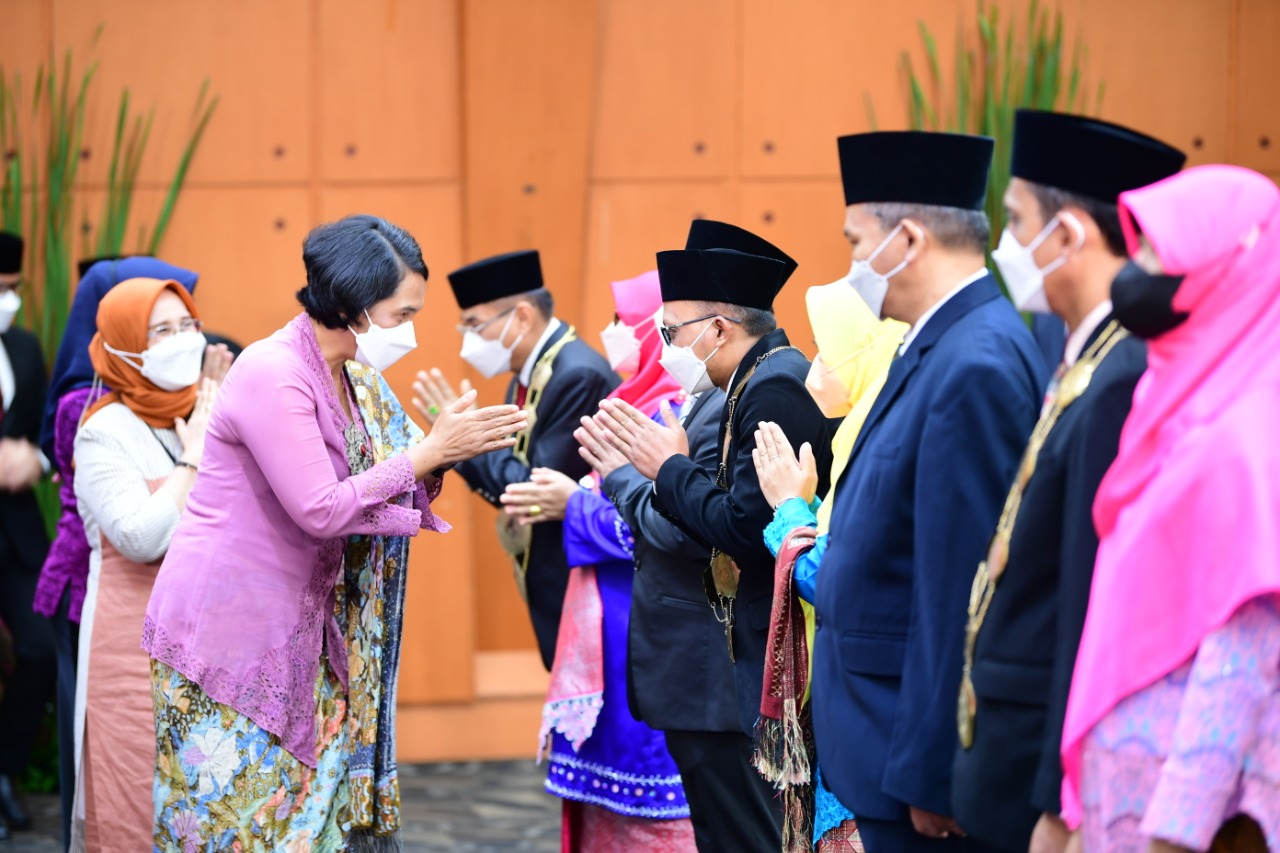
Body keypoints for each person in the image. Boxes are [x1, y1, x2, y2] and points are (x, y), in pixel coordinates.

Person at [143, 214, 527, 851]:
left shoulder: (354, 378)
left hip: (308, 627)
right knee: (238, 823)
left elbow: (399, 471)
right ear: (354, 305)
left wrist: (445, 451)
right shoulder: (275, 372)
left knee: (309, 825)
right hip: (232, 632)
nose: (410, 332)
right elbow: (321, 508)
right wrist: (429, 454)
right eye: (401, 316)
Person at [951, 111, 1185, 853]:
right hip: (1006, 744)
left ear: (1070, 235)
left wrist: (1063, 794)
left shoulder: (1122, 376)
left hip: (1035, 766)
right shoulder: (1088, 358)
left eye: (1017, 220)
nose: (1007, 244)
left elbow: (1087, 601)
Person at [809, 131, 1047, 852]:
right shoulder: (938, 341)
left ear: (906, 239)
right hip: (878, 735)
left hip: (909, 759)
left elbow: (963, 585)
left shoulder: (975, 360)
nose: (853, 264)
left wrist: (934, 768)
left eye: (857, 243)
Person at [1060, 166, 1280, 851]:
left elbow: (1243, 647)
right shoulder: (1177, 399)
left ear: (1227, 271)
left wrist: (1174, 834)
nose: (1138, 273)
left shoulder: (1247, 433)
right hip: (1117, 804)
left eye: (1159, 254)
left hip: (1180, 827)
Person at [596, 224, 835, 849]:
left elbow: (747, 531)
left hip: (748, 664)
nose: (668, 347)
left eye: (671, 333)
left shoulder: (774, 389)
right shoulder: (748, 383)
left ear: (719, 328)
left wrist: (668, 468)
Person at [499, 270, 695, 851]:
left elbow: (668, 529)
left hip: (647, 625)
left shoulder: (674, 414)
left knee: (653, 801)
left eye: (620, 319)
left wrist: (574, 505)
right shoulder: (624, 403)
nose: (610, 332)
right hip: (610, 628)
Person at [31, 256, 209, 851]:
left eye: (188, 324)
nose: (183, 341)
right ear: (126, 345)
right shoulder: (102, 429)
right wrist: (193, 461)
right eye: (162, 332)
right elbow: (139, 535)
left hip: (209, 637)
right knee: (135, 790)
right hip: (133, 637)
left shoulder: (206, 408)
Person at [751, 278, 907, 851]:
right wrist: (808, 505)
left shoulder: (879, 437)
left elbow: (844, 579)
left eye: (826, 350)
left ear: (862, 352)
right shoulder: (860, 429)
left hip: (870, 703)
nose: (814, 366)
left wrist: (789, 512)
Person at [413, 250, 618, 670]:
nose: (468, 339)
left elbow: (534, 489)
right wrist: (461, 440)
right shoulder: (530, 371)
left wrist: (460, 443)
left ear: (522, 317)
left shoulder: (577, 374)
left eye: (474, 325)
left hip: (582, 577)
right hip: (549, 572)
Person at [0, 230, 52, 842]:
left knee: (38, 649)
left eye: (12, 291)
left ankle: (6, 771)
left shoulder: (25, 347)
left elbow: (44, 438)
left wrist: (33, 462)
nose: (7, 302)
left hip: (16, 536)